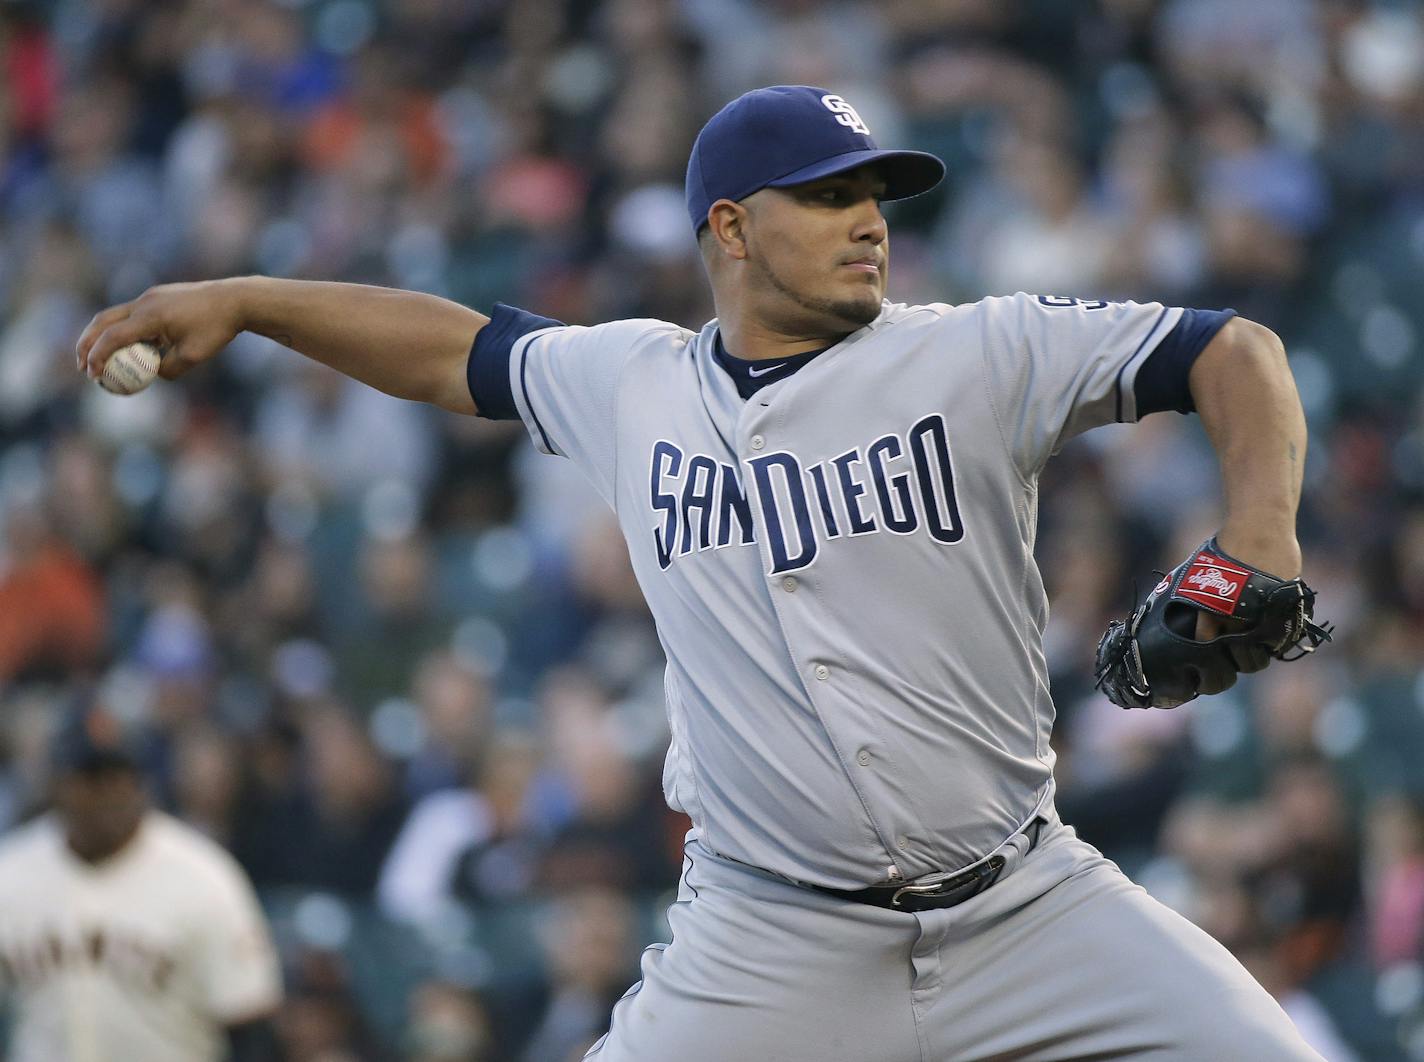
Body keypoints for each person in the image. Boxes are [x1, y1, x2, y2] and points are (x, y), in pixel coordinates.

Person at [76, 84, 1325, 1059]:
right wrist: (246, 298)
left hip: (1025, 902)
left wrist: (1258, 534)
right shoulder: (632, 383)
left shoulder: (976, 354)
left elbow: (1233, 352)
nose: (869, 221)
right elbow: (450, 347)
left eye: (875, 194)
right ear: (729, 227)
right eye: (829, 196)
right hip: (768, 937)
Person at [0, 701, 283, 1062]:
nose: (106, 794)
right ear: (56, 785)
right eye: (89, 778)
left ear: (141, 784)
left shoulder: (205, 877)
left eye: (119, 777)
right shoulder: (11, 873)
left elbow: (250, 1028)